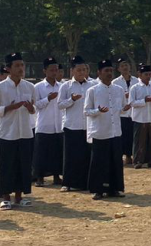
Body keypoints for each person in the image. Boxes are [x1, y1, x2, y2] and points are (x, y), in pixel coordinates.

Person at [0, 53, 36, 210]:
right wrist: (10, 107)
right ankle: (5, 198)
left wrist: (30, 108)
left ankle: (19, 197)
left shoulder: (29, 87)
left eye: (22, 65)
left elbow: (34, 109)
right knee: (6, 165)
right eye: (17, 66)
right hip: (7, 133)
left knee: (22, 165)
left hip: (25, 132)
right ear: (8, 68)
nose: (20, 68)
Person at [84, 59, 127, 200]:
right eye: (106, 71)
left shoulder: (119, 90)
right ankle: (97, 190)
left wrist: (125, 108)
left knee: (115, 161)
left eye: (111, 70)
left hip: (115, 131)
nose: (109, 73)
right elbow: (86, 111)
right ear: (99, 73)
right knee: (99, 162)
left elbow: (122, 108)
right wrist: (98, 111)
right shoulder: (92, 90)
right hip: (100, 131)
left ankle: (114, 189)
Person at [58, 57, 94, 192]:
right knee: (71, 156)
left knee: (86, 155)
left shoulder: (92, 85)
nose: (82, 72)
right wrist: (71, 100)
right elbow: (60, 105)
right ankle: (67, 183)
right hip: (72, 125)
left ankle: (86, 183)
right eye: (79, 70)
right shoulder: (66, 86)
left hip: (88, 126)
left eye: (84, 70)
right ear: (72, 71)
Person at [32, 57, 65, 186]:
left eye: (56, 70)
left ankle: (56, 176)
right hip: (44, 125)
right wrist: (48, 99)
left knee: (57, 152)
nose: (54, 72)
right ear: (45, 71)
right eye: (51, 70)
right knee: (41, 153)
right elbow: (36, 105)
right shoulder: (38, 87)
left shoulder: (62, 86)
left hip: (58, 124)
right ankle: (39, 177)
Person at [129, 64, 151, 169]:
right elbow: (132, 103)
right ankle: (138, 160)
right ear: (140, 75)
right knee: (139, 141)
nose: (148, 76)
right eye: (146, 74)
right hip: (139, 118)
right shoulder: (135, 88)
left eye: (149, 74)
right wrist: (144, 100)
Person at [114, 58, 139, 165]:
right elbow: (113, 98)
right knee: (121, 136)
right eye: (122, 66)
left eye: (126, 65)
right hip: (122, 113)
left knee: (131, 136)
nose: (125, 67)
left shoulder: (136, 81)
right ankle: (120, 156)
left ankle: (129, 156)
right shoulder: (115, 82)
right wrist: (124, 96)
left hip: (133, 113)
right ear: (119, 69)